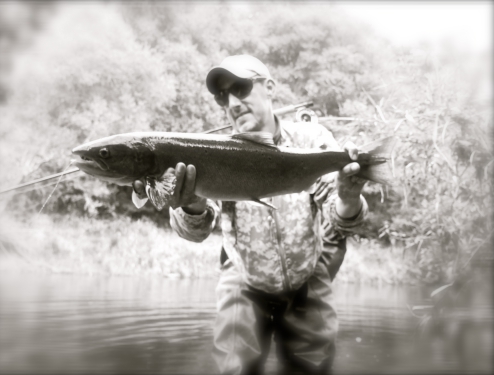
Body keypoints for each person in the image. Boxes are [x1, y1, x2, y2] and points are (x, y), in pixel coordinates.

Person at [133, 55, 368, 375]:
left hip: (307, 279)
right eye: (221, 95)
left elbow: (342, 219)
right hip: (242, 281)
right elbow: (196, 231)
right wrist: (192, 204)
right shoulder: (206, 151)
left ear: (269, 87)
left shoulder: (312, 140)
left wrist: (349, 196)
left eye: (241, 88)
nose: (232, 101)